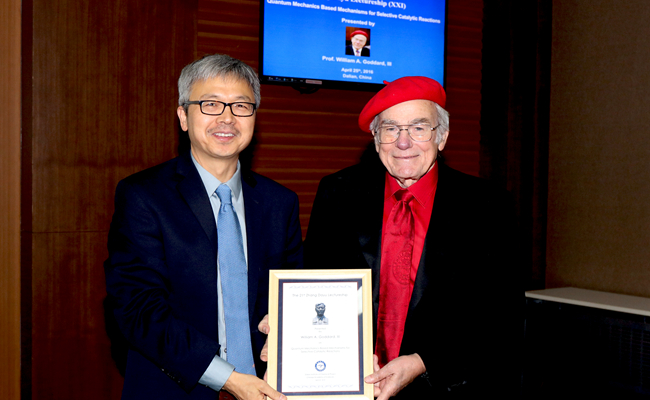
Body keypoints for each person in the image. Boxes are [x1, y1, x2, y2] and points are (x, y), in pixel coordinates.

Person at [303, 77, 522, 399]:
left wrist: (423, 361)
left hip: (448, 387)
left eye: (419, 128)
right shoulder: (337, 193)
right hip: (348, 383)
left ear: (442, 137)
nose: (403, 142)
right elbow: (313, 284)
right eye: (390, 129)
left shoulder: (488, 206)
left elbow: (501, 315)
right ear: (376, 139)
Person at [104, 54, 302, 400]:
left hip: (269, 387)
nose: (227, 118)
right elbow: (138, 309)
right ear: (183, 116)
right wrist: (229, 379)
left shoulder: (279, 202)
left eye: (241, 106)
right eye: (210, 104)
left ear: (254, 117)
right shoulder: (143, 196)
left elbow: (293, 293)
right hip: (175, 389)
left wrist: (290, 322)